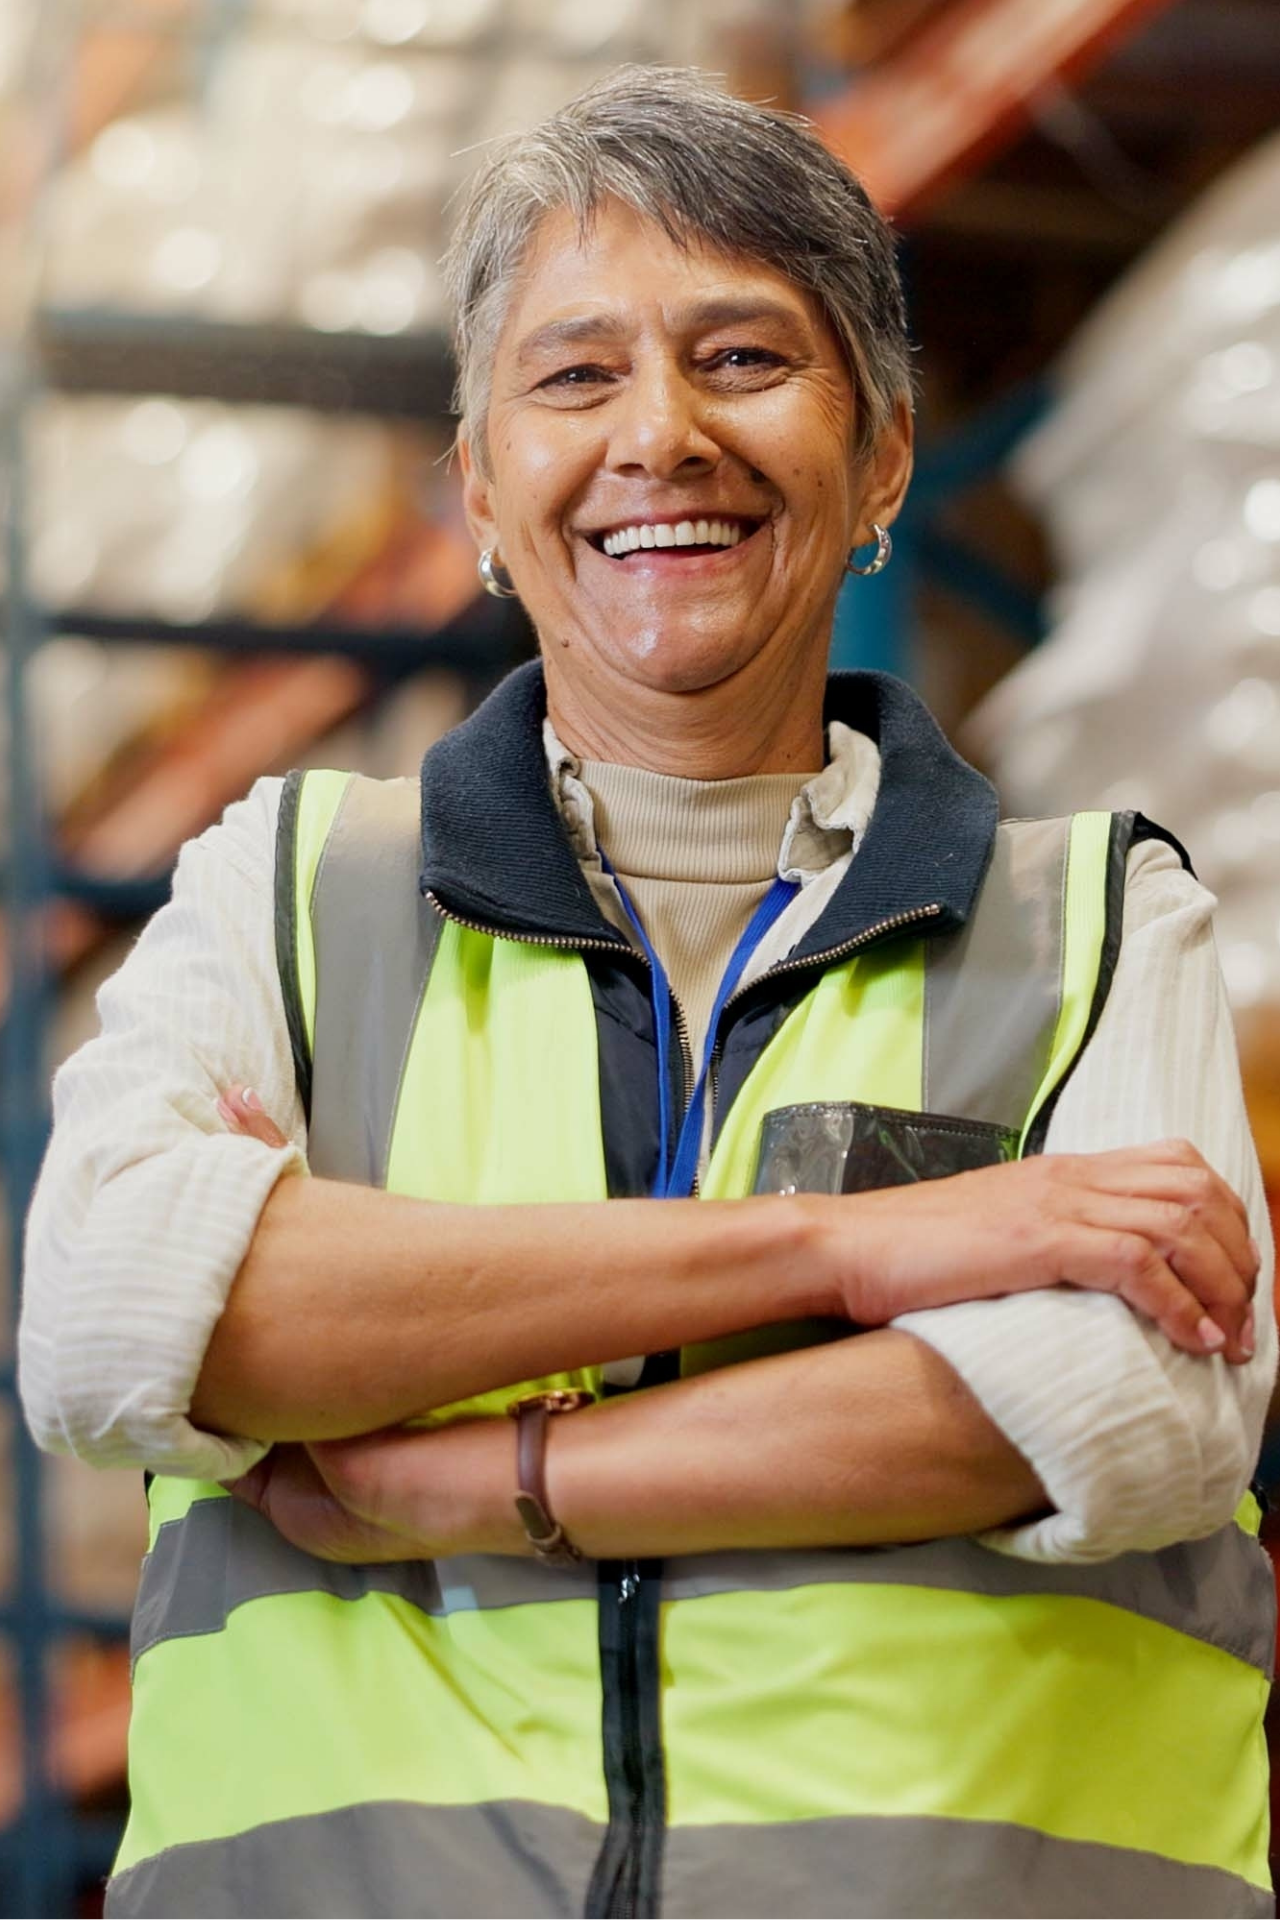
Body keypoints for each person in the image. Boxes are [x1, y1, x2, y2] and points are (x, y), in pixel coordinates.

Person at [20, 65, 1276, 1920]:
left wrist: (488, 1475)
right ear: (478, 486)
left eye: (747, 359)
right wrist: (856, 1259)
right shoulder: (289, 893)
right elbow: (119, 1319)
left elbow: (1131, 1409)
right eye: (575, 374)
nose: (661, 435)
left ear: (885, 462)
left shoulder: (1096, 921)